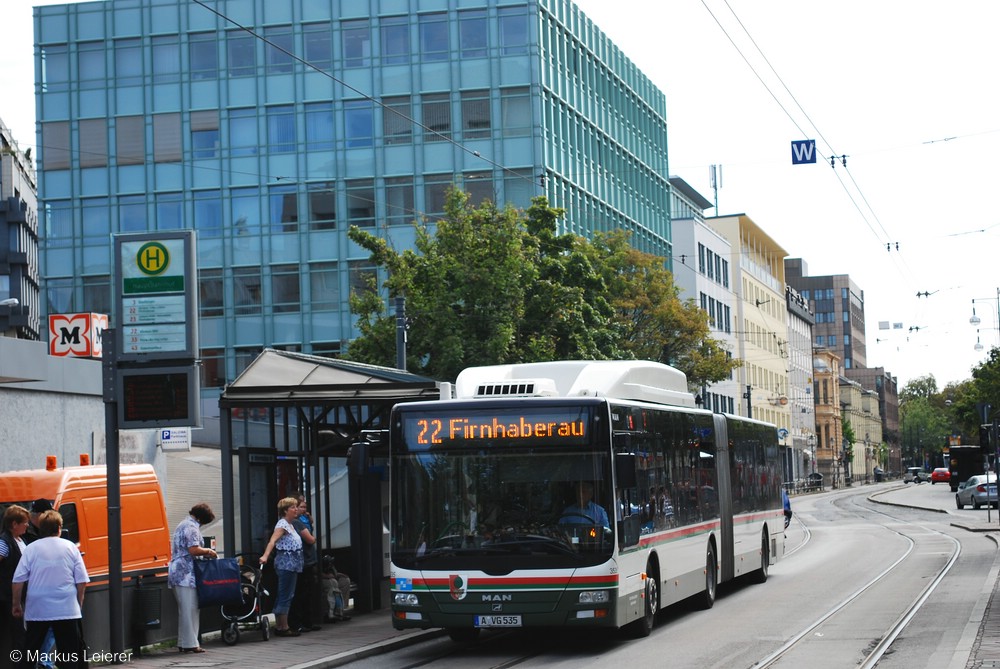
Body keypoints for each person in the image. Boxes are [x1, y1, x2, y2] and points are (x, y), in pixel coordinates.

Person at [11, 510, 89, 669]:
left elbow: (18, 580)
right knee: (69, 653)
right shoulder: (70, 547)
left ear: (40, 528)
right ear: (59, 528)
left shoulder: (31, 549)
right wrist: (78, 602)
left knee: (30, 650)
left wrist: (16, 604)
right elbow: (82, 581)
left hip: (38, 608)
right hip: (66, 607)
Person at [168, 502, 218, 654]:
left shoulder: (182, 524)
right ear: (201, 519)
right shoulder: (191, 527)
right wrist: (209, 551)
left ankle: (185, 642)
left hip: (177, 572)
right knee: (190, 609)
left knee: (185, 609)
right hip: (185, 574)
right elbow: (194, 549)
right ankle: (191, 644)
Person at [259, 497, 303, 637]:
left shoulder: (290, 524)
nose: (296, 509)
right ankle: (283, 627)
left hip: (292, 564)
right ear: (285, 510)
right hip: (287, 564)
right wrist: (265, 556)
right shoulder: (282, 524)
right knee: (286, 594)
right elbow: (272, 540)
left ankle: (280, 625)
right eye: (293, 507)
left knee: (285, 593)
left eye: (296, 506)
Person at [0, 505, 30, 661]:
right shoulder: (4, 543)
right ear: (14, 524)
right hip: (8, 596)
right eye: (24, 522)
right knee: (17, 633)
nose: (27, 525)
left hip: (20, 593)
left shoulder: (20, 540)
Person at [289, 496, 321, 633]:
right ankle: (300, 622)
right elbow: (310, 539)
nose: (301, 509)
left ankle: (307, 621)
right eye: (298, 506)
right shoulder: (297, 523)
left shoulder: (303, 520)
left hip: (306, 561)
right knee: (302, 593)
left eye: (303, 507)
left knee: (305, 593)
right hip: (304, 562)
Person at [320, 555, 352, 623]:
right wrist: (326, 576)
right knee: (332, 584)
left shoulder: (331, 567)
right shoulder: (318, 563)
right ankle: (329, 613)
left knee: (345, 580)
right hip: (323, 582)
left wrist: (338, 575)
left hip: (332, 580)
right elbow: (316, 572)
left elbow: (335, 574)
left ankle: (340, 611)